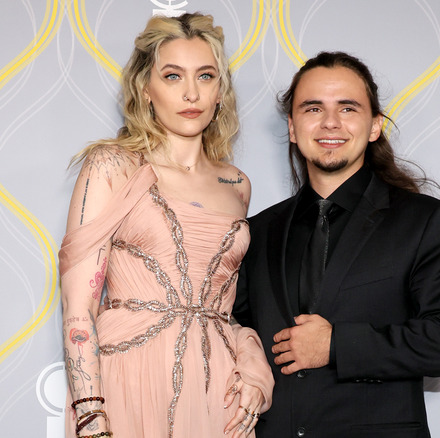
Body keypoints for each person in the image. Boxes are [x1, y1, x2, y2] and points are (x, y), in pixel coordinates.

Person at [233, 51, 440, 437]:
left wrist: (336, 346)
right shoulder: (257, 230)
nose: (330, 122)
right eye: (313, 108)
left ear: (374, 126)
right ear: (293, 127)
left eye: (347, 108)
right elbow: (232, 332)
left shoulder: (425, 220)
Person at [59, 13, 273, 438]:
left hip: (218, 389)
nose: (191, 92)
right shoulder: (112, 166)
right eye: (173, 76)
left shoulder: (237, 185)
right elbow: (77, 309)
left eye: (206, 76)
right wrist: (90, 417)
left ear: (220, 92)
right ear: (146, 89)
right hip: (130, 378)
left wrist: (250, 359)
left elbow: (223, 308)